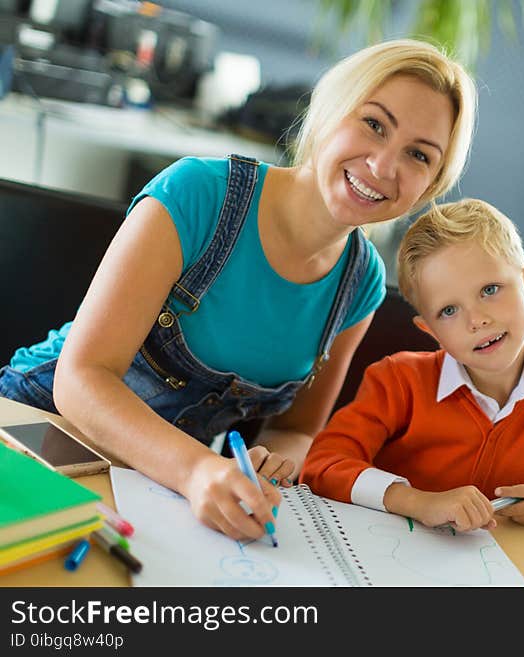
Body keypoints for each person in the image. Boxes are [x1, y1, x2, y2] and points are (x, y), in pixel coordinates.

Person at [0, 39, 477, 542]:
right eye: (374, 124)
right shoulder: (197, 193)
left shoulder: (360, 283)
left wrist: (273, 464)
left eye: (418, 155)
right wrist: (196, 470)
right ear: (329, 112)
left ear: (429, 186)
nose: (383, 165)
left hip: (157, 486)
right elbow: (79, 380)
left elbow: (297, 430)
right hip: (40, 430)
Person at [300, 198, 524, 532]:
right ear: (431, 331)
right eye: (449, 311)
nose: (476, 320)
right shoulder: (397, 381)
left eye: (490, 289)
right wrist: (418, 502)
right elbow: (323, 465)